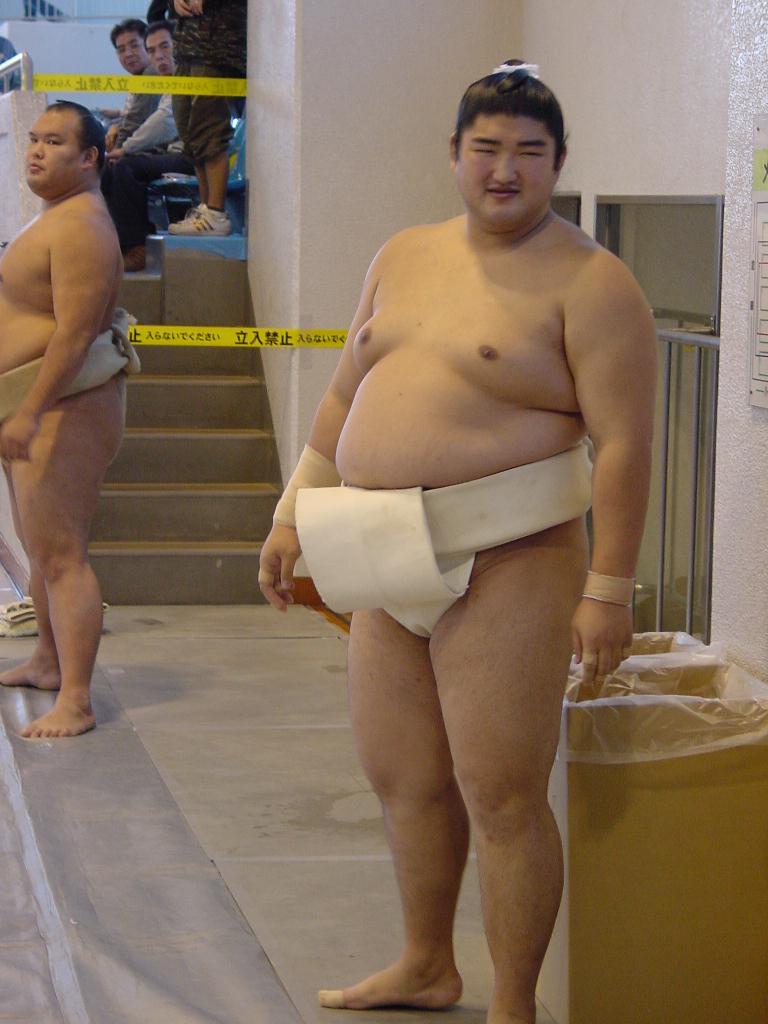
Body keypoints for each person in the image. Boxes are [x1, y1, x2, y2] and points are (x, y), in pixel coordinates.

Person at [258, 62, 657, 1024]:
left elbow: (626, 444)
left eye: (529, 152)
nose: (505, 170)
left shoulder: (594, 282)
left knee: (503, 794)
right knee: (404, 779)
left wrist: (608, 589)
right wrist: (292, 510)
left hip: (511, 558)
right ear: (453, 154)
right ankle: (425, 964)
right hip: (377, 547)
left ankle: (513, 1004)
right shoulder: (401, 254)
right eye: (486, 149)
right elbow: (345, 392)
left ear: (559, 161)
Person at [0, 101, 139, 739]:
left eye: (54, 142)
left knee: (63, 557)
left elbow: (76, 335)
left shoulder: (82, 225)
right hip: (32, 401)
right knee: (41, 550)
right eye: (34, 138)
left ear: (90, 158)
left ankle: (77, 700)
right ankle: (48, 661)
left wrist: (29, 412)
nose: (36, 150)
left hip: (63, 405)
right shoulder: (56, 215)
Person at [101, 21, 194, 271]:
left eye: (165, 47)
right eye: (152, 50)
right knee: (115, 167)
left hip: (193, 156)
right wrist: (118, 128)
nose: (158, 56)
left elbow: (164, 121)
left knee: (124, 167)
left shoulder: (181, 78)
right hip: (173, 152)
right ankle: (117, 244)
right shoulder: (166, 80)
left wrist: (125, 148)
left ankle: (136, 247)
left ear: (180, 46)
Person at [168, 0, 247, 237]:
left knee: (209, 131)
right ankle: (204, 210)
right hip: (185, 49)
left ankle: (216, 212)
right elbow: (156, 10)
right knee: (190, 133)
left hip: (219, 50)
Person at [105, 18, 160, 154]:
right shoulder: (139, 77)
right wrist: (117, 125)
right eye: (121, 50)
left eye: (134, 45)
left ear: (149, 44)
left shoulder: (151, 74)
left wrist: (116, 152)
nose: (128, 54)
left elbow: (136, 120)